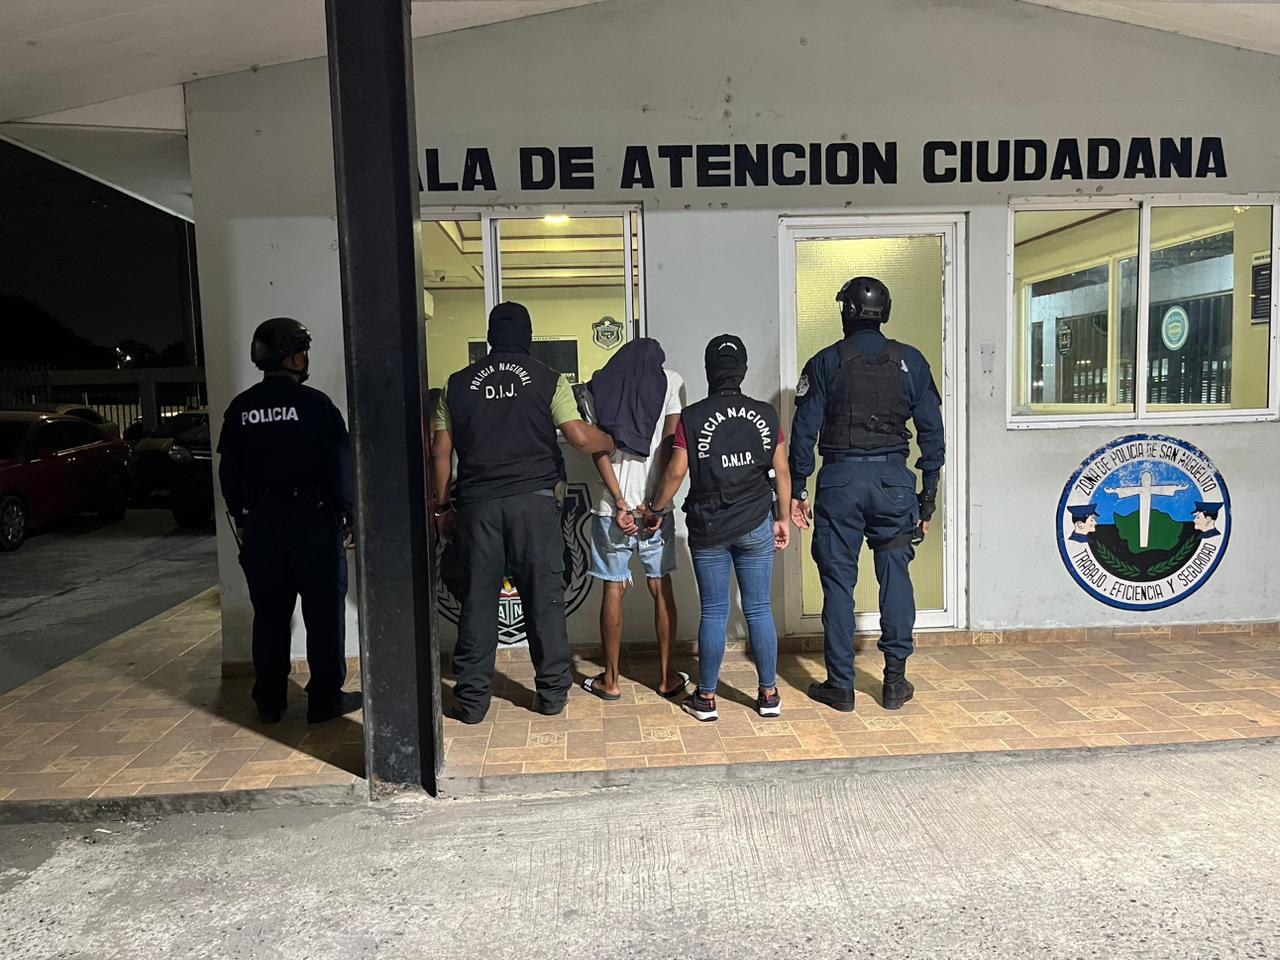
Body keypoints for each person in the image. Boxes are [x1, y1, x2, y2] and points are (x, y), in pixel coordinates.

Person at [432, 302, 615, 723]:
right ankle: (551, 695)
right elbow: (578, 437)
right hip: (534, 504)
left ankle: (473, 702)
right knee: (544, 599)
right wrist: (607, 440)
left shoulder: (456, 385)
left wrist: (442, 507)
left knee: (478, 601)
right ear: (527, 337)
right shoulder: (548, 379)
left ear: (490, 338)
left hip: (478, 506)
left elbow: (441, 452)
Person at [789, 276, 944, 713]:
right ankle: (894, 682)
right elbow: (932, 434)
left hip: (839, 483)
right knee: (896, 577)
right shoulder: (911, 361)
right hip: (894, 485)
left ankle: (841, 686)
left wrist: (798, 487)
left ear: (846, 313)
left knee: (839, 583)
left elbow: (804, 431)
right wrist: (928, 495)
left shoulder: (824, 362)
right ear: (885, 313)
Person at [217, 316, 359, 725]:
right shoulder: (316, 406)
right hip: (314, 523)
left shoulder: (241, 409)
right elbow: (340, 467)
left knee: (270, 616)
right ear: (292, 357)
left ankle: (269, 701)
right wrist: (350, 513)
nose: (306, 357)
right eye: (303, 350)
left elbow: (229, 474)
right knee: (323, 617)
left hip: (263, 525)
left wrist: (243, 517)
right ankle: (325, 700)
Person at [644, 334, 792, 721]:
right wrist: (782, 517)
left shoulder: (692, 418)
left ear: (709, 371)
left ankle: (707, 698)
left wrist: (654, 509)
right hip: (757, 523)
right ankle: (769, 694)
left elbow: (676, 471)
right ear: (742, 371)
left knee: (713, 611)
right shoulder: (766, 415)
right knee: (759, 608)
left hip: (709, 527)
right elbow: (782, 470)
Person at [578, 337, 688, 702]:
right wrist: (654, 504)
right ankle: (667, 677)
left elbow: (598, 451)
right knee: (660, 586)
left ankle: (610, 681)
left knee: (613, 587)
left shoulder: (597, 386)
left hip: (612, 509)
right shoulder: (670, 381)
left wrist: (620, 501)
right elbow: (672, 446)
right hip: (655, 507)